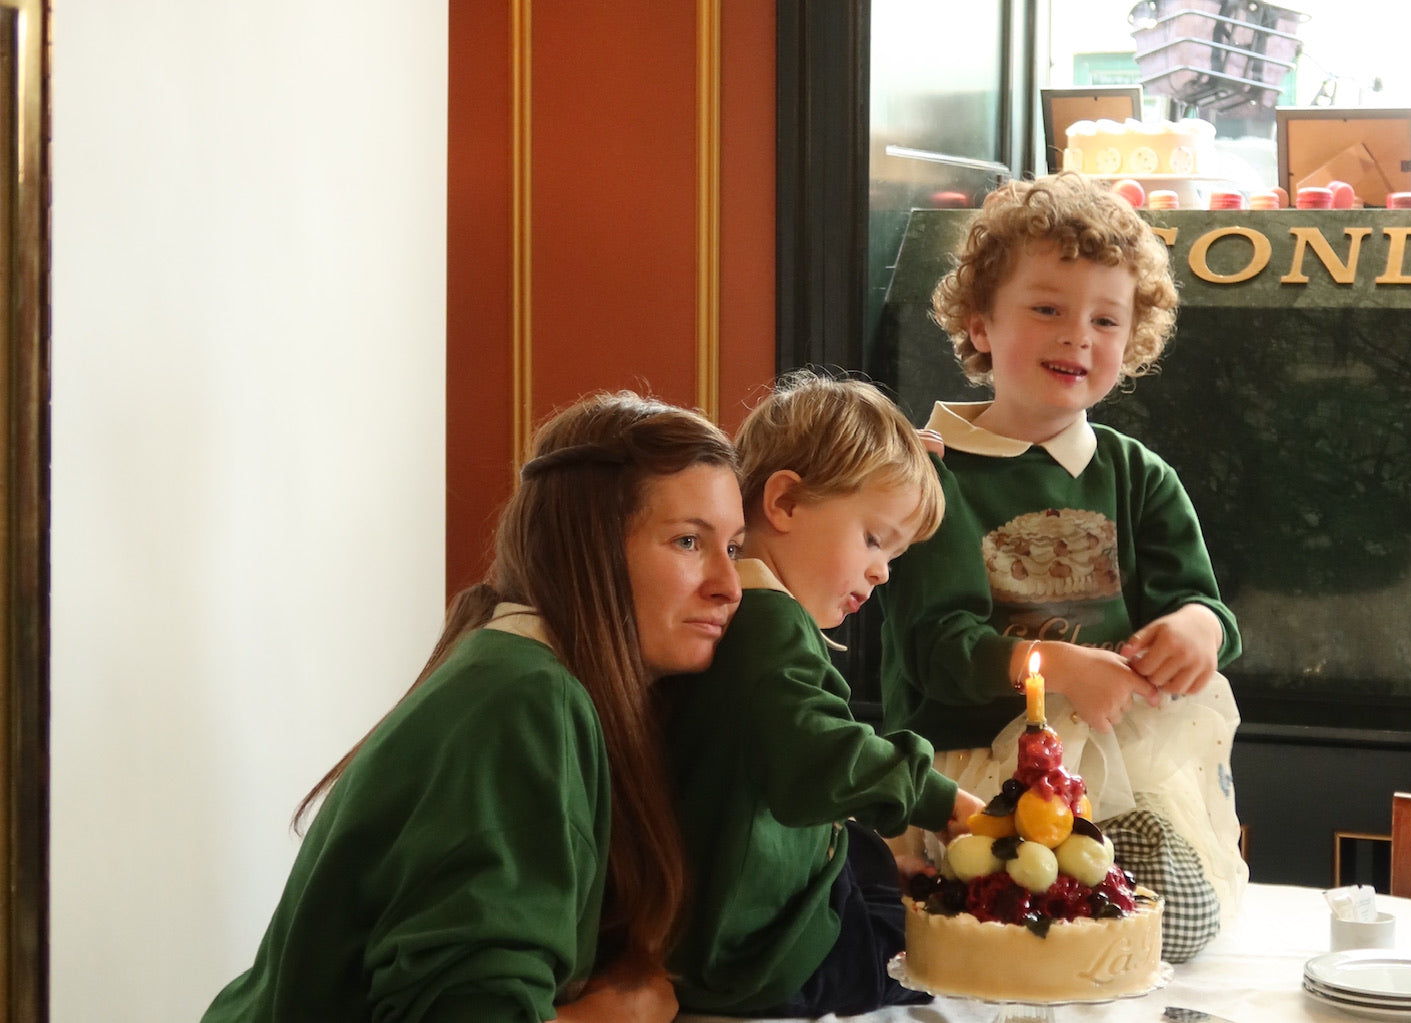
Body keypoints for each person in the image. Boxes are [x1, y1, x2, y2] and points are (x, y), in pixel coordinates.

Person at [201, 392, 746, 1023]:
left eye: (732, 549)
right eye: (687, 541)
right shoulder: (522, 701)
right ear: (589, 545)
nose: (727, 586)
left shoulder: (521, 674)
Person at [878, 172, 1247, 962]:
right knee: (1011, 949)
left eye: (1105, 319)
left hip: (1117, 758)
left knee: (1168, 928)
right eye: (1047, 308)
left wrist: (1197, 626)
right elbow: (935, 646)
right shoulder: (929, 474)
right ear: (979, 325)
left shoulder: (1137, 473)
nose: (1077, 335)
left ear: (1132, 341)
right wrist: (1056, 667)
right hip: (974, 771)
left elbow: (1205, 605)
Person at [664, 371, 987, 1017]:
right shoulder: (768, 621)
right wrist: (943, 801)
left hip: (744, 914)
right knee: (944, 948)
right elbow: (818, 759)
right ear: (783, 502)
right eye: (873, 538)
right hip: (760, 952)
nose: (882, 570)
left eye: (894, 555)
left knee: (894, 889)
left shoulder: (746, 619)